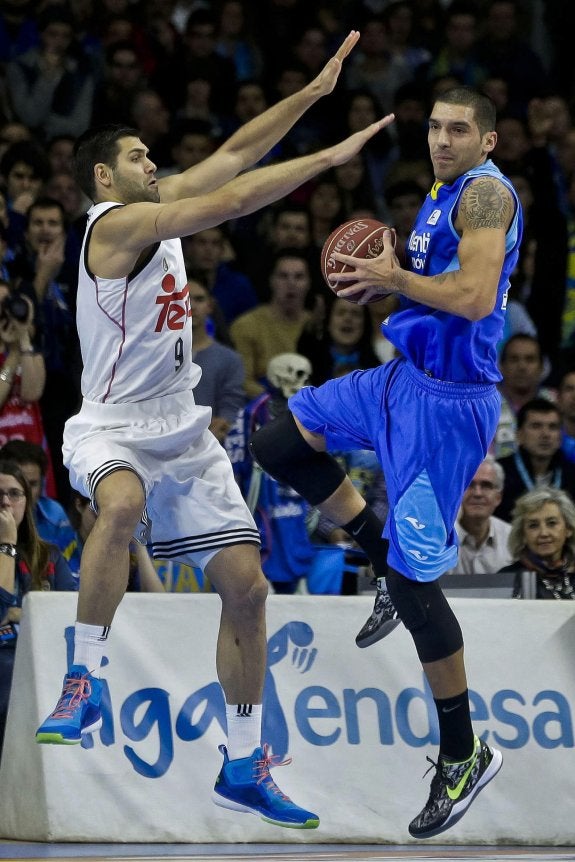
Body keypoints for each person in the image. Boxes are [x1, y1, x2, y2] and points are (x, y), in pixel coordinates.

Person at [34, 30, 394, 830]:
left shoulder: (152, 209)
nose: (151, 163)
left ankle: (241, 760)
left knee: (249, 587)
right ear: (104, 175)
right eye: (138, 156)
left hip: (183, 429)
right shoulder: (110, 226)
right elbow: (232, 199)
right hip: (113, 426)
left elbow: (231, 156)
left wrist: (308, 97)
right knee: (119, 507)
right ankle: (83, 679)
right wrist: (326, 161)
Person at [250, 86, 522, 838]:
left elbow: (470, 297)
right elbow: (434, 291)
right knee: (276, 441)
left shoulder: (485, 201)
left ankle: (464, 753)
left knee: (415, 583)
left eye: (458, 129)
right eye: (434, 127)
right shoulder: (440, 192)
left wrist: (391, 279)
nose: (441, 139)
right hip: (397, 380)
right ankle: (377, 555)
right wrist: (389, 276)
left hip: (446, 404)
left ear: (488, 141)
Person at [0, 459, 77, 753]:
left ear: (27, 501)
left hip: (43, 656)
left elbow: (69, 614)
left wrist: (24, 612)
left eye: (14, 493)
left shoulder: (50, 556)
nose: (6, 502)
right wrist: (6, 543)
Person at [230, 250, 313, 399]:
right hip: (266, 409)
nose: (291, 283)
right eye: (283, 276)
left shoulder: (316, 326)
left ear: (309, 283)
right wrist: (282, 402)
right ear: (271, 281)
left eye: (299, 277)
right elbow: (244, 381)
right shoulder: (246, 325)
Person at [495, 398, 575, 523]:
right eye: (536, 426)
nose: (545, 434)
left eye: (552, 427)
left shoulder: (572, 474)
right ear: (519, 434)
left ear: (560, 436)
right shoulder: (500, 473)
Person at [188, 274, 246, 444]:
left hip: (212, 447)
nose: (191, 305)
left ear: (210, 306)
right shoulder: (158, 357)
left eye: (198, 299)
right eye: (183, 298)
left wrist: (221, 426)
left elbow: (231, 410)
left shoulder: (230, 359)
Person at [0, 439, 75, 560]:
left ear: (42, 484)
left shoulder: (55, 514)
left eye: (33, 483)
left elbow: (69, 562)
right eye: (18, 483)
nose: (26, 491)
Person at [497, 486, 575, 600]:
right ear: (523, 534)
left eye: (552, 523)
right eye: (533, 525)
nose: (543, 533)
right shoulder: (506, 579)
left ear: (568, 529)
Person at [449, 456, 513, 575]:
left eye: (486, 485)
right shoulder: (441, 539)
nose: (477, 493)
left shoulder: (512, 538)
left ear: (498, 497)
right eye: (470, 484)